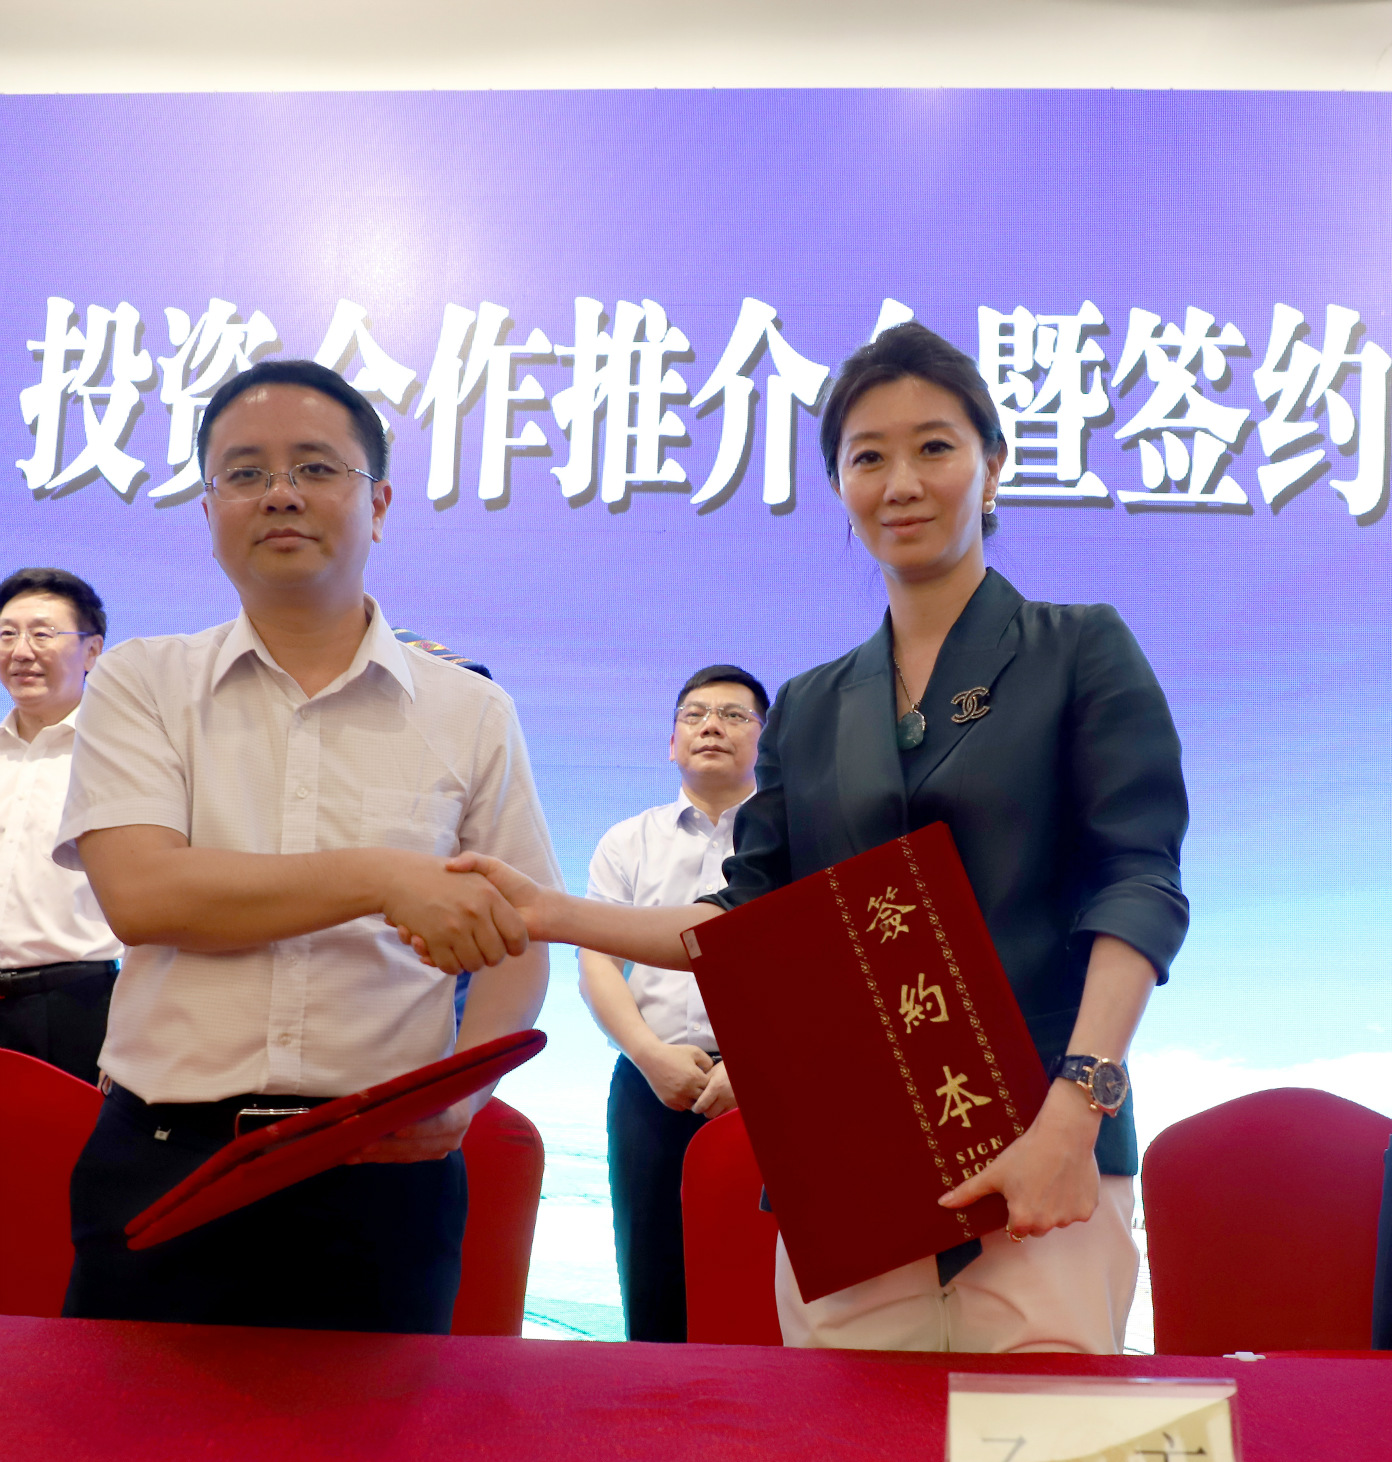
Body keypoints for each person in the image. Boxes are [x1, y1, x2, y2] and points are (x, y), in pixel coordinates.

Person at [407, 321, 1188, 1357]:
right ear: (840, 487)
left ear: (994, 466)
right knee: (847, 1449)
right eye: (868, 457)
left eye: (935, 447)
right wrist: (548, 911)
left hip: (1045, 1156)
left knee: (1030, 1458)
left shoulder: (1080, 648)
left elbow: (1138, 885)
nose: (901, 482)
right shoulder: (814, 707)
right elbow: (743, 922)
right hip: (853, 1170)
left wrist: (1075, 1114)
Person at [55, 358, 561, 1334]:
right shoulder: (141, 682)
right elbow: (145, 895)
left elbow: (520, 935)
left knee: (375, 1437)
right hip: (165, 1159)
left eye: (316, 468)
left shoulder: (470, 710)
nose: (280, 493)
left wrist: (466, 1094)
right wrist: (381, 876)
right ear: (210, 510)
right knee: (132, 1433)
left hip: (382, 1176)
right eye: (244, 473)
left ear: (379, 503)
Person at [580, 663, 767, 1342]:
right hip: (650, 1079)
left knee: (762, 1281)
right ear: (671, 742)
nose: (712, 726)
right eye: (695, 714)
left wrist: (757, 1064)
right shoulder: (627, 840)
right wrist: (648, 1054)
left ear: (765, 741)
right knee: (652, 1277)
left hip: (767, 1084)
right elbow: (596, 959)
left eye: (733, 715)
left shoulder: (793, 838)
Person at [0, 568, 120, 1084]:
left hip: (80, 1005)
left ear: (92, 651)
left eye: (42, 634)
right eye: (7, 634)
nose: (20, 651)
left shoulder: (120, 755)